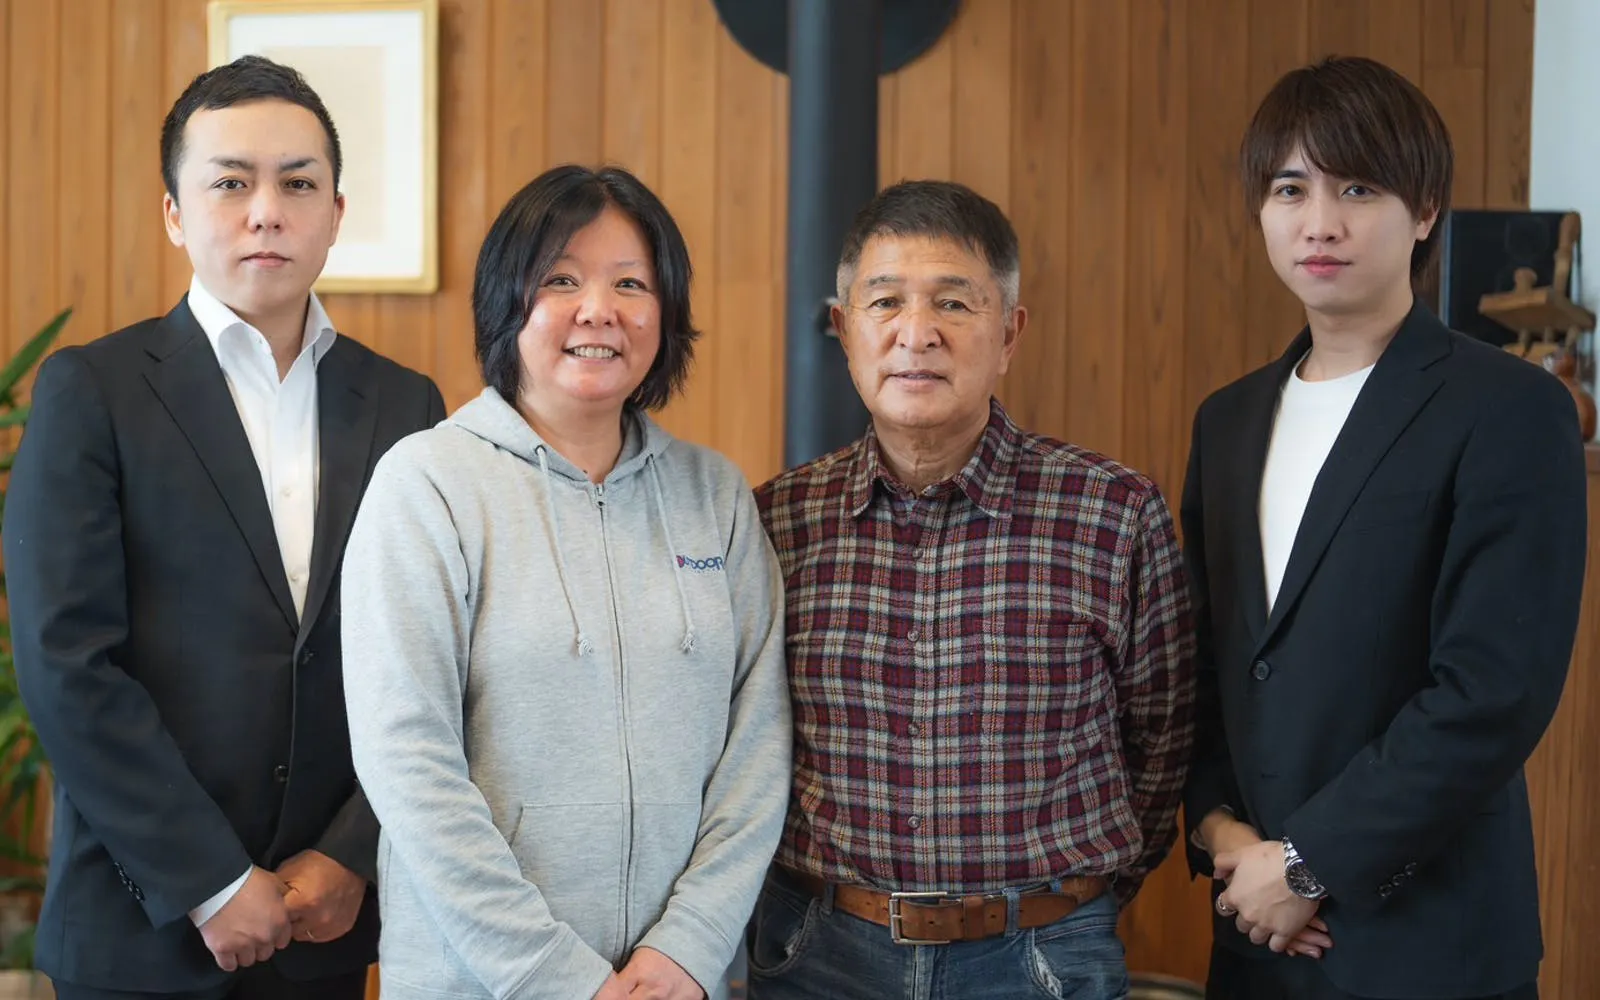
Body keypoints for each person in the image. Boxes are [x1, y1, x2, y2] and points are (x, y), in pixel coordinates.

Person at [2, 56, 445, 1000]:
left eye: (298, 184)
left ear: (336, 212)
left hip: (324, 926)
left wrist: (352, 854)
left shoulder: (406, 405)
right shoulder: (93, 391)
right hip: (140, 935)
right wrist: (210, 882)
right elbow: (67, 663)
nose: (266, 212)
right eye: (231, 183)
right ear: (175, 212)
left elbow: (432, 659)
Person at [1181, 56, 1589, 1000]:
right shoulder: (1228, 420)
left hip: (1427, 946)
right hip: (1255, 938)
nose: (1319, 221)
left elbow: (1491, 692)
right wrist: (1221, 829)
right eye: (1291, 189)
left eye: (1358, 188)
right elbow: (1208, 662)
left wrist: (1307, 864)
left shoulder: (1510, 408)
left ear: (1427, 209)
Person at [339, 164, 791, 1000]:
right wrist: (558, 979)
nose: (598, 310)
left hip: (672, 984)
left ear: (667, 312)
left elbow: (757, 743)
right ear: (506, 302)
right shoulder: (428, 484)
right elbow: (406, 760)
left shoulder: (714, 496)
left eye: (631, 284)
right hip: (481, 982)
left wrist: (689, 949)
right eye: (561, 279)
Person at [747, 179, 1196, 1000]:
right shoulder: (777, 519)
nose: (916, 333)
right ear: (845, 330)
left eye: (954, 303)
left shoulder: (1114, 513)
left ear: (1010, 333)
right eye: (886, 302)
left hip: (1040, 955)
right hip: (820, 952)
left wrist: (1063, 906)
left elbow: (1163, 740)